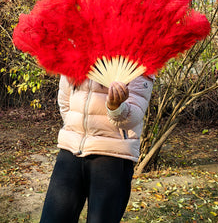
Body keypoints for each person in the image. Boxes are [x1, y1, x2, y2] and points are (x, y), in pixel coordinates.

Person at [39, 74, 154, 223]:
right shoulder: (75, 51)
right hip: (70, 152)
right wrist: (74, 130)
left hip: (112, 157)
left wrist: (116, 108)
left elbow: (133, 117)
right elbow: (64, 101)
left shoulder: (139, 59)